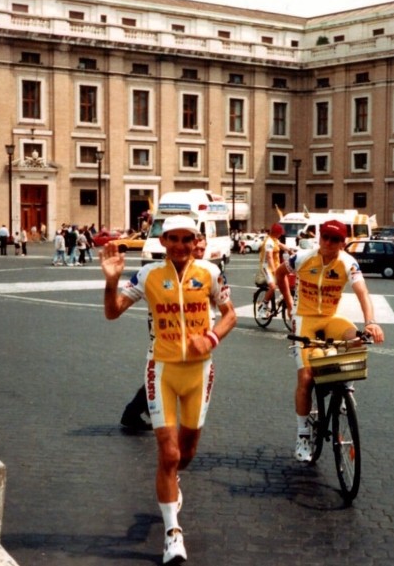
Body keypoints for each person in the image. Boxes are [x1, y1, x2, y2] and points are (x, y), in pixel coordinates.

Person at [100, 216, 235, 564]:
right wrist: (112, 282)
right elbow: (113, 313)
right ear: (162, 241)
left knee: (186, 454)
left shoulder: (210, 273)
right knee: (169, 454)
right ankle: (173, 534)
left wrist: (211, 337)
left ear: (195, 241)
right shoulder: (147, 275)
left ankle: (173, 485)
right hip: (161, 370)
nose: (178, 245)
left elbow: (229, 314)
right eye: (172, 238)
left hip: (199, 373)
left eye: (185, 239)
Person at [275, 219, 385, 462]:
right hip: (304, 320)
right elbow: (279, 273)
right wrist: (289, 302)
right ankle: (303, 435)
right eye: (325, 237)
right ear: (319, 237)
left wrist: (371, 322)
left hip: (329, 317)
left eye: (335, 239)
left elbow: (362, 292)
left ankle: (345, 384)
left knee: (356, 337)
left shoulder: (348, 263)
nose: (328, 243)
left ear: (342, 243)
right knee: (305, 377)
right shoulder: (302, 258)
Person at [121, 234, 209, 432]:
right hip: (165, 338)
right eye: (197, 249)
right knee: (161, 377)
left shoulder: (205, 274)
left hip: (195, 342)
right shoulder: (161, 274)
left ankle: (139, 411)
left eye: (203, 249)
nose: (199, 253)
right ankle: (137, 412)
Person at [257, 223, 286, 319]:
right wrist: (274, 270)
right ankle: (263, 307)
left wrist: (290, 250)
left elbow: (281, 245)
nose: (281, 235)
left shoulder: (275, 240)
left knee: (285, 279)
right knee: (272, 287)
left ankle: (280, 298)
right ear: (276, 233)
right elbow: (269, 257)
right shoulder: (269, 242)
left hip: (276, 265)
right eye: (280, 233)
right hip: (267, 267)